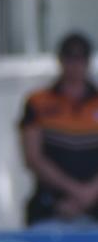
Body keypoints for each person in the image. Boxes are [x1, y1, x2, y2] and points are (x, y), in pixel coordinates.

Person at [19, 31, 98, 227]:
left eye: (80, 59)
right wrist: (74, 191)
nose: (75, 66)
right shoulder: (38, 102)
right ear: (61, 60)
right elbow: (33, 157)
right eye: (70, 58)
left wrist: (89, 194)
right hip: (51, 206)